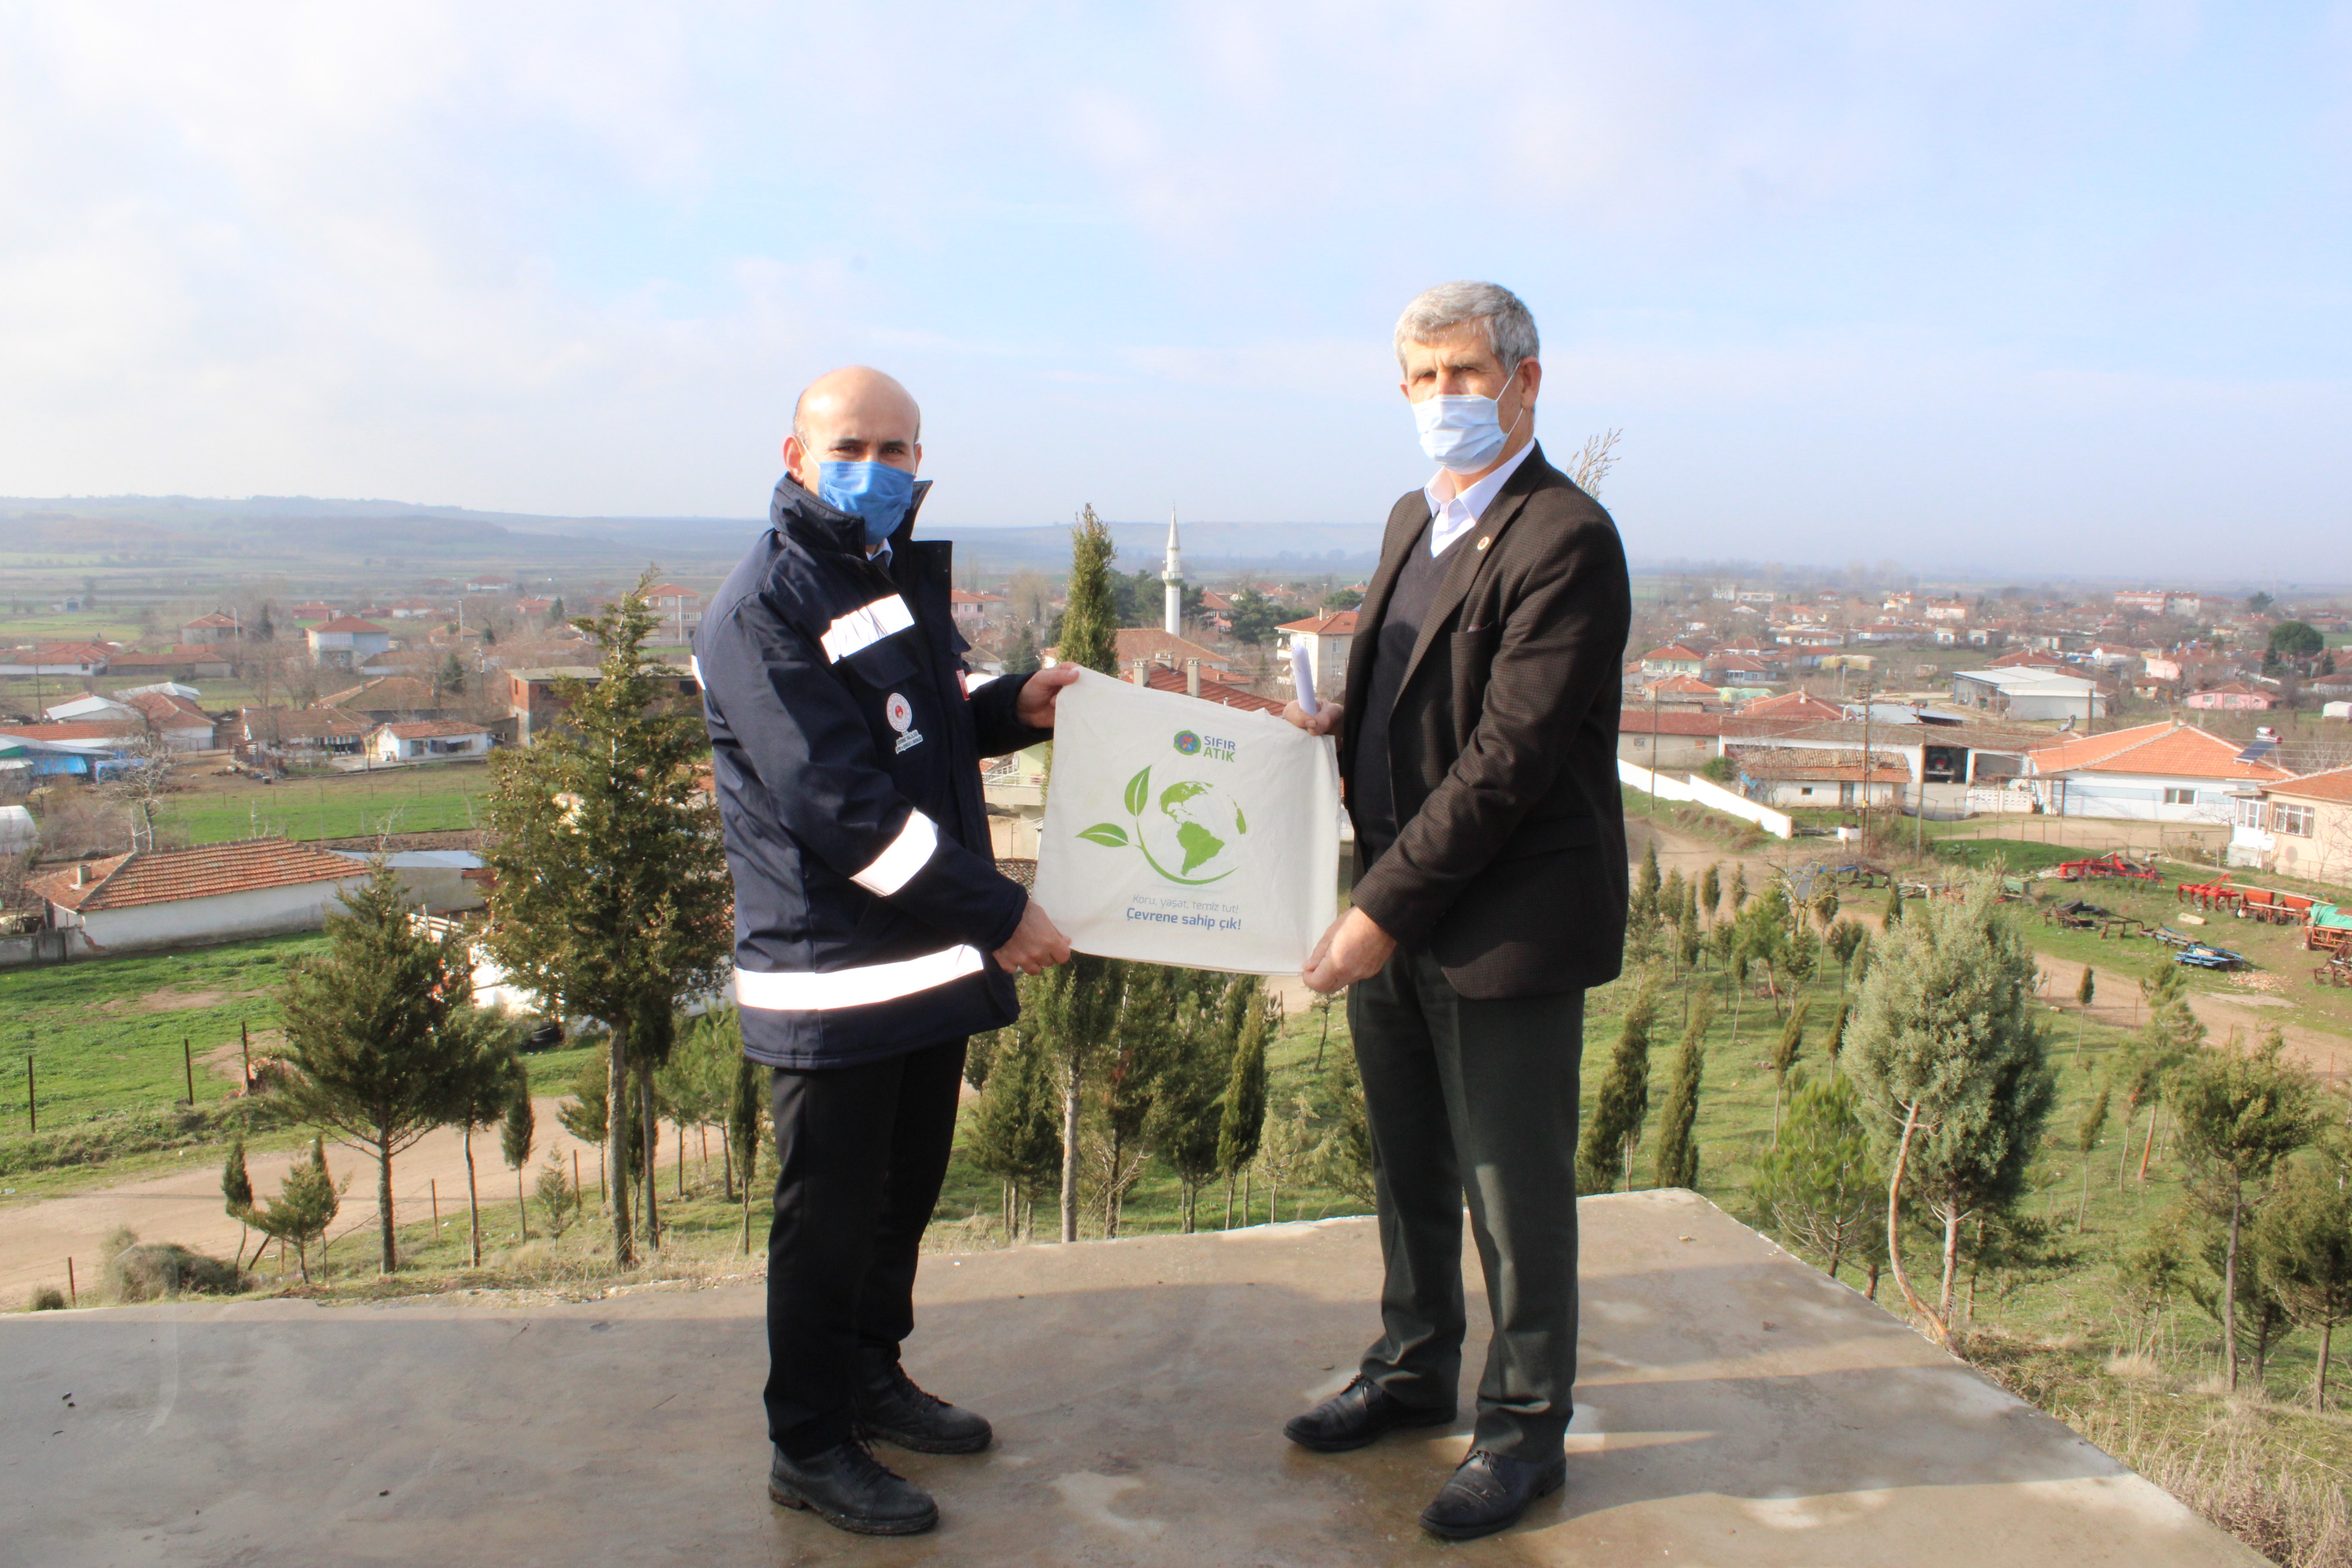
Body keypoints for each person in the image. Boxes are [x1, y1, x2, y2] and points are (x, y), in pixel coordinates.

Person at [693, 366, 1076, 1537]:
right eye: (851, 443)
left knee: (900, 1196)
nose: (876, 466)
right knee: (829, 1215)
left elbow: (930, 709)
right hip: (834, 975)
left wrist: (1021, 701)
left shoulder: (882, 573)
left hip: (918, 969)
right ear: (797, 453)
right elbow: (843, 803)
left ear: (920, 465)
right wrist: (1000, 909)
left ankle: (872, 1373)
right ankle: (807, 1439)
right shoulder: (763, 604)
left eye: (897, 448)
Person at [1281, 282, 1630, 1541]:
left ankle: (1526, 1425)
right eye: (1421, 381)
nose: (1443, 403)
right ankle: (1413, 1363)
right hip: (1402, 898)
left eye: (1464, 375)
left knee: (1510, 1184)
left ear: (1528, 381)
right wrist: (1335, 721)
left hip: (1500, 918)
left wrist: (1377, 909)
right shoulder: (1412, 520)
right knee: (1412, 1157)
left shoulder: (1565, 538)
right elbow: (1405, 689)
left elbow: (1506, 762)